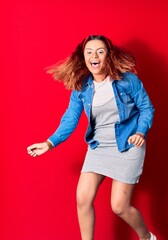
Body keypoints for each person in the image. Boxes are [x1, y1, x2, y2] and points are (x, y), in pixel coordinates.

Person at [27, 35, 156, 240]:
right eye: (89, 52)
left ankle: (146, 237)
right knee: (82, 198)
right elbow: (70, 118)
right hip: (99, 146)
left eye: (100, 51)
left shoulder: (127, 80)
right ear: (84, 57)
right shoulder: (82, 86)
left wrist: (141, 131)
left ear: (109, 55)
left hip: (128, 144)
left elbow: (146, 108)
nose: (94, 56)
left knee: (119, 206)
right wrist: (49, 143)